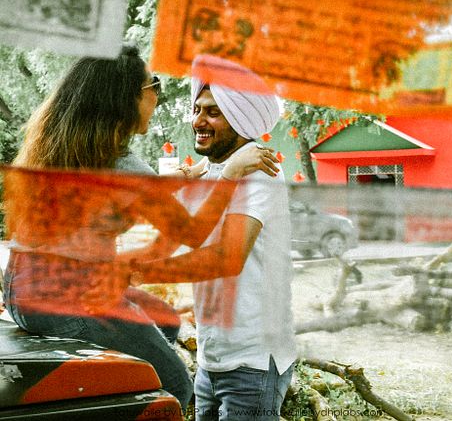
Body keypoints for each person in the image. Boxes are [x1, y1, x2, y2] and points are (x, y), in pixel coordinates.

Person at [2, 46, 279, 411]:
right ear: (126, 99)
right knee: (174, 384)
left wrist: (184, 176)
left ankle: (121, 397)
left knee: (167, 322)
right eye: (154, 86)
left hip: (21, 288)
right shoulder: (122, 164)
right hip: (67, 298)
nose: (158, 97)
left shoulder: (69, 148)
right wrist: (230, 172)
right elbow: (192, 233)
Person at [130, 54, 297, 419]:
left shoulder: (259, 172)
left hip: (253, 361)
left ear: (240, 120)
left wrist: (142, 272)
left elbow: (228, 258)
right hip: (212, 357)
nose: (198, 121)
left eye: (213, 113)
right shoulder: (211, 172)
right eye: (197, 110)